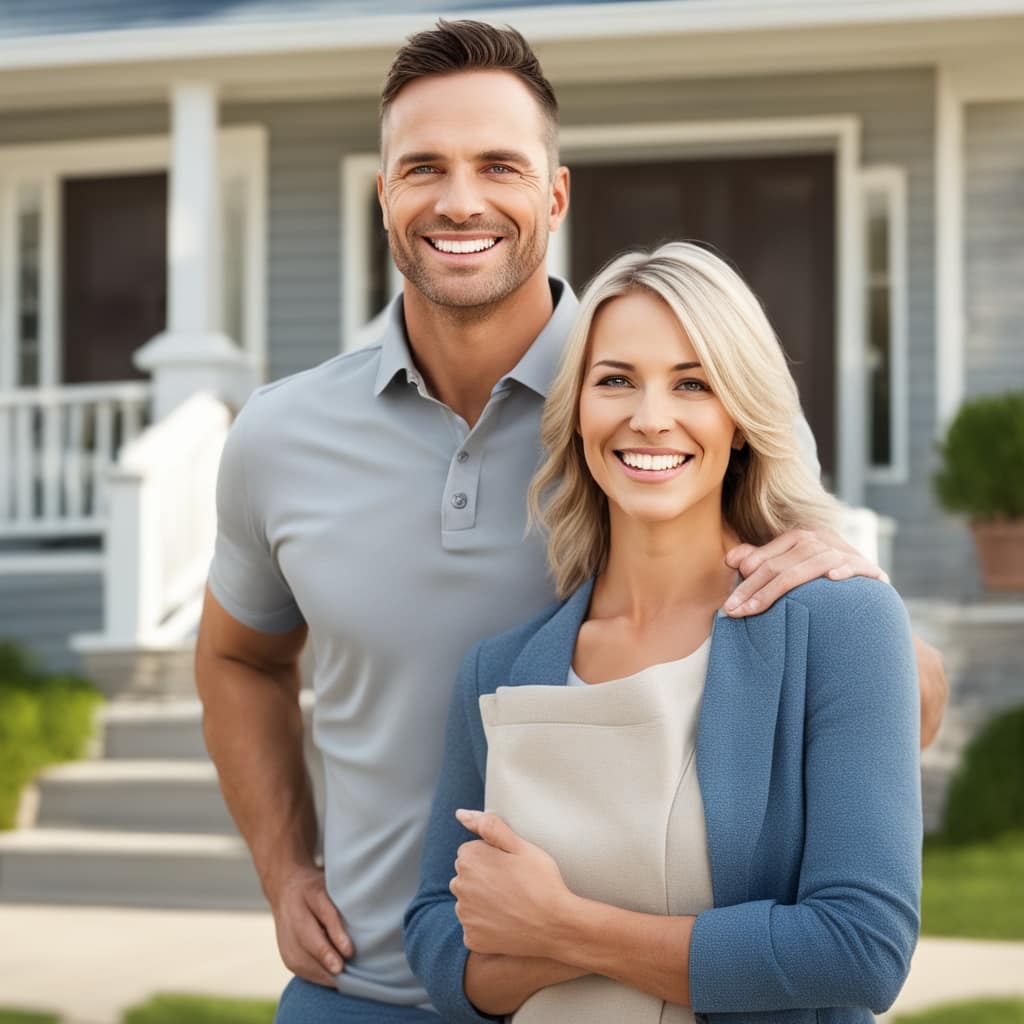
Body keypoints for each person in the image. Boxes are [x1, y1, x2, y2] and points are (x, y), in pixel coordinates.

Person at [194, 20, 944, 1023]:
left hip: (639, 994)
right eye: (423, 167)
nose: (460, 200)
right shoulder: (280, 435)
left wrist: (856, 606)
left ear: (554, 193)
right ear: (383, 193)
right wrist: (286, 868)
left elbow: (875, 684)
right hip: (371, 984)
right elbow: (237, 657)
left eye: (498, 164)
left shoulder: (678, 406)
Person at [405, 242, 922, 1024]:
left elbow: (860, 949)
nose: (651, 419)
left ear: (742, 420)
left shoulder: (839, 624)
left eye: (694, 384)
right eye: (615, 381)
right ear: (577, 409)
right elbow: (439, 945)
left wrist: (562, 929)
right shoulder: (499, 671)